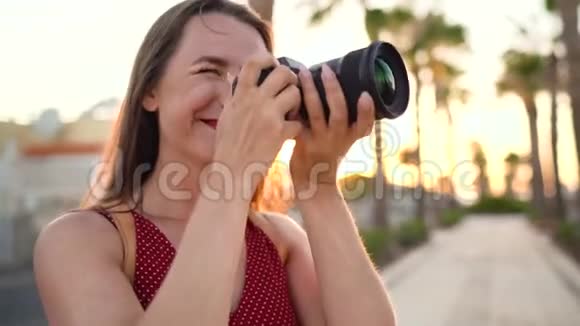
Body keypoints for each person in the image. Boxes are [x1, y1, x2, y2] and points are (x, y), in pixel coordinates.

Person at [33, 0, 397, 325]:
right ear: (149, 91)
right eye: (210, 71)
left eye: (257, 79)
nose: (238, 99)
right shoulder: (82, 241)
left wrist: (317, 186)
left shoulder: (279, 240)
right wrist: (231, 175)